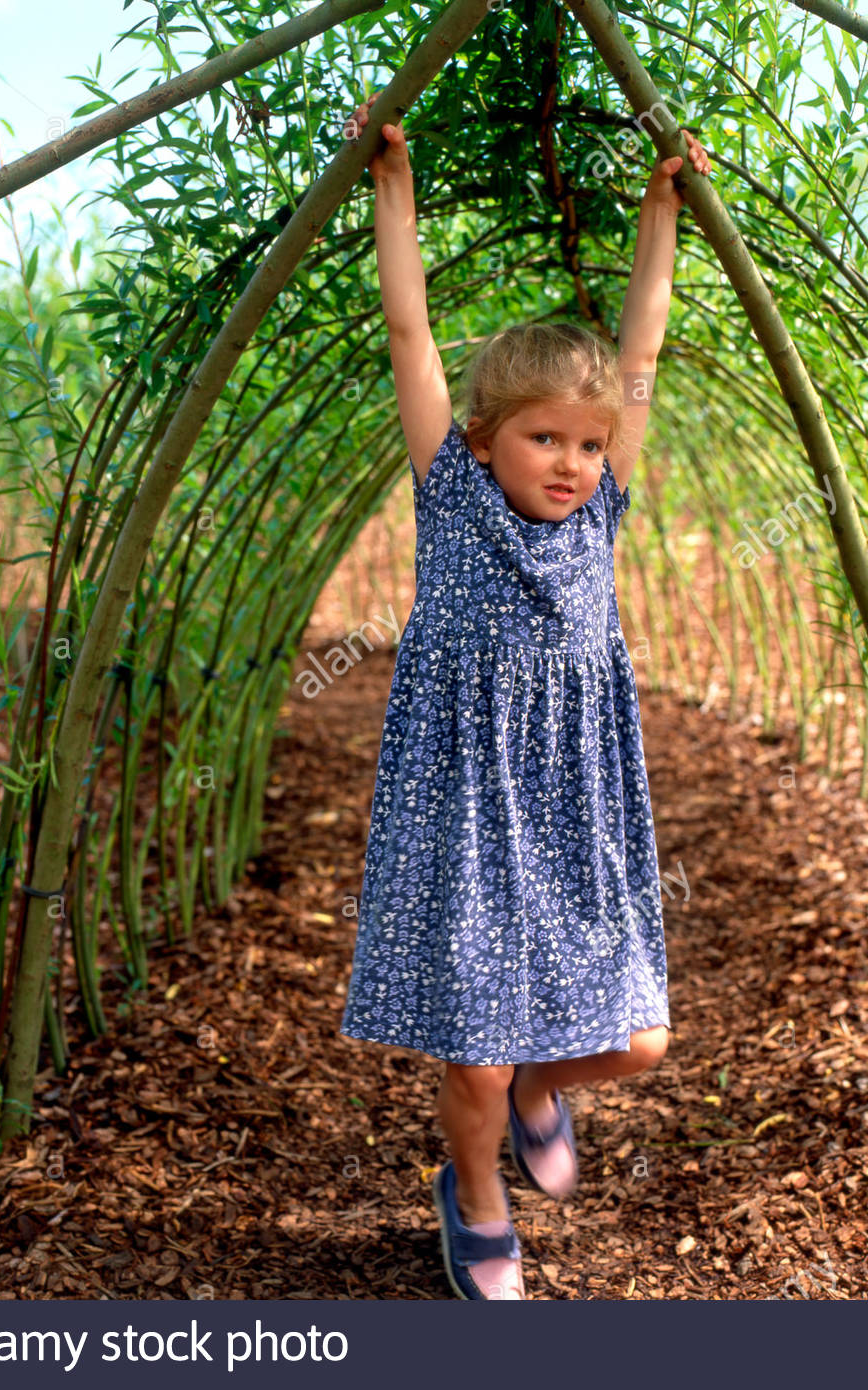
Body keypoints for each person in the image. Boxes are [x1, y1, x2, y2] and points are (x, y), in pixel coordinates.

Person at [338, 90, 711, 1300]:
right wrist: (391, 190)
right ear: (488, 434)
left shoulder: (601, 512)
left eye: (588, 443)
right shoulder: (448, 493)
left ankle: (554, 1083)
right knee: (478, 1066)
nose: (571, 462)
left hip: (573, 800)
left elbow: (639, 354)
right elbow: (407, 333)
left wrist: (662, 216)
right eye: (544, 438)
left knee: (639, 1039)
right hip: (461, 801)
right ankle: (477, 1195)